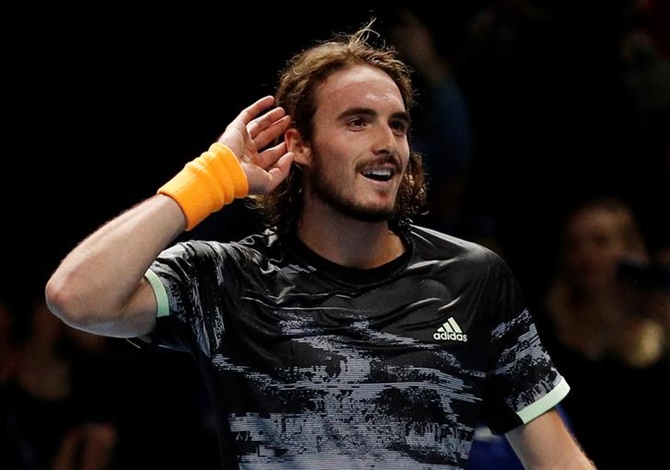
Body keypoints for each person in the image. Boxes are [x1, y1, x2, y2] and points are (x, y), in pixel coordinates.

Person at [45, 20, 596, 469]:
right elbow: (77, 296)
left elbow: (560, 463)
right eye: (358, 122)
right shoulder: (228, 279)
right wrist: (209, 178)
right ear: (298, 145)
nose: (388, 145)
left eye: (398, 125)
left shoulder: (473, 278)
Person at [540, 196, 670, 469]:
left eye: (600, 241)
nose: (585, 254)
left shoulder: (656, 324)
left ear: (630, 250)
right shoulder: (549, 330)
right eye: (574, 245)